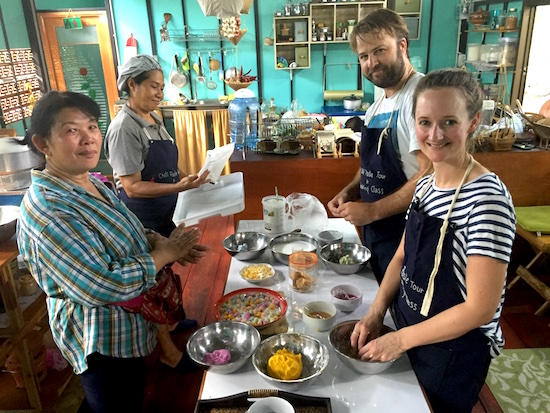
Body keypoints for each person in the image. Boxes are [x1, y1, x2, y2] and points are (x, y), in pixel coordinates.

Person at [17, 91, 207, 412]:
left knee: (125, 394)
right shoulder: (49, 210)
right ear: (42, 143)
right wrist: (164, 255)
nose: (88, 138)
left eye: (91, 127)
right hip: (100, 339)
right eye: (71, 130)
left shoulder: (89, 182)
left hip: (127, 327)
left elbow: (126, 228)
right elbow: (100, 284)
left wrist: (160, 243)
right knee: (115, 400)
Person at [350, 69, 516, 413]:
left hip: (452, 355)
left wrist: (400, 340)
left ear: (473, 122)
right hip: (407, 327)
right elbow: (400, 257)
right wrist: (376, 313)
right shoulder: (426, 186)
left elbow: (480, 308)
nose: (435, 134)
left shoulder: (487, 200)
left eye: (449, 122)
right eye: (424, 122)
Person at [327, 9, 430, 282]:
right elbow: (371, 165)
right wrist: (350, 191)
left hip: (411, 234)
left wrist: (373, 210)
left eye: (379, 51)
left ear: (402, 46)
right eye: (364, 56)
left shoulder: (421, 97)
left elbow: (431, 174)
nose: (371, 62)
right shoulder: (375, 109)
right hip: (378, 233)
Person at [104, 54, 209, 237]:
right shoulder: (124, 129)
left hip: (167, 213)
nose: (160, 94)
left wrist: (191, 181)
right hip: (145, 221)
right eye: (154, 87)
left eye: (161, 88)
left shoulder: (154, 118)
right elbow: (132, 187)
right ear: (132, 84)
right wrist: (178, 187)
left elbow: (168, 168)